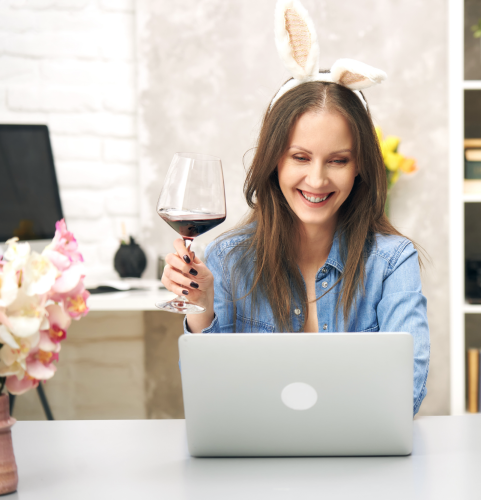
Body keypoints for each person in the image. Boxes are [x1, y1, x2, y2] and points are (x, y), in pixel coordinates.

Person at [160, 0, 429, 415]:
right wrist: (202, 307)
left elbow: (406, 395)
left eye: (337, 160)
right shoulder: (227, 261)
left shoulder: (392, 262)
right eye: (300, 158)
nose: (318, 180)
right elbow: (211, 401)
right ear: (274, 161)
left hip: (359, 467)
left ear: (359, 167)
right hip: (258, 471)